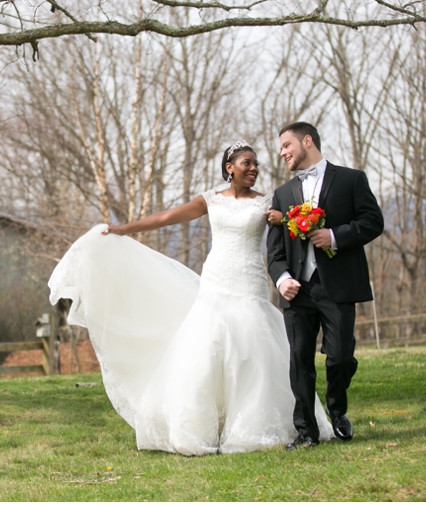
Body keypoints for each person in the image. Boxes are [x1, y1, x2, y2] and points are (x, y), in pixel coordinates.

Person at [48, 140, 333, 455]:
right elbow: (168, 217)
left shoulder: (267, 201)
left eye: (256, 165)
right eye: (246, 163)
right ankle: (201, 426)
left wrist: (291, 222)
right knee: (207, 350)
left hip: (250, 281)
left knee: (253, 351)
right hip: (216, 280)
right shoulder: (210, 199)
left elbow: (293, 231)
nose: (253, 169)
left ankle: (254, 424)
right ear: (230, 168)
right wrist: (124, 229)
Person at [265, 122, 383, 450]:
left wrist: (334, 236)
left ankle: (337, 408)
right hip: (297, 291)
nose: (283, 153)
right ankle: (306, 432)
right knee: (299, 361)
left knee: (341, 357)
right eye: (280, 149)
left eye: (287, 145)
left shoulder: (351, 180)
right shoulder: (283, 194)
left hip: (338, 286)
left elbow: (373, 222)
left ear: (307, 141)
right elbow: (274, 252)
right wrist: (283, 278)